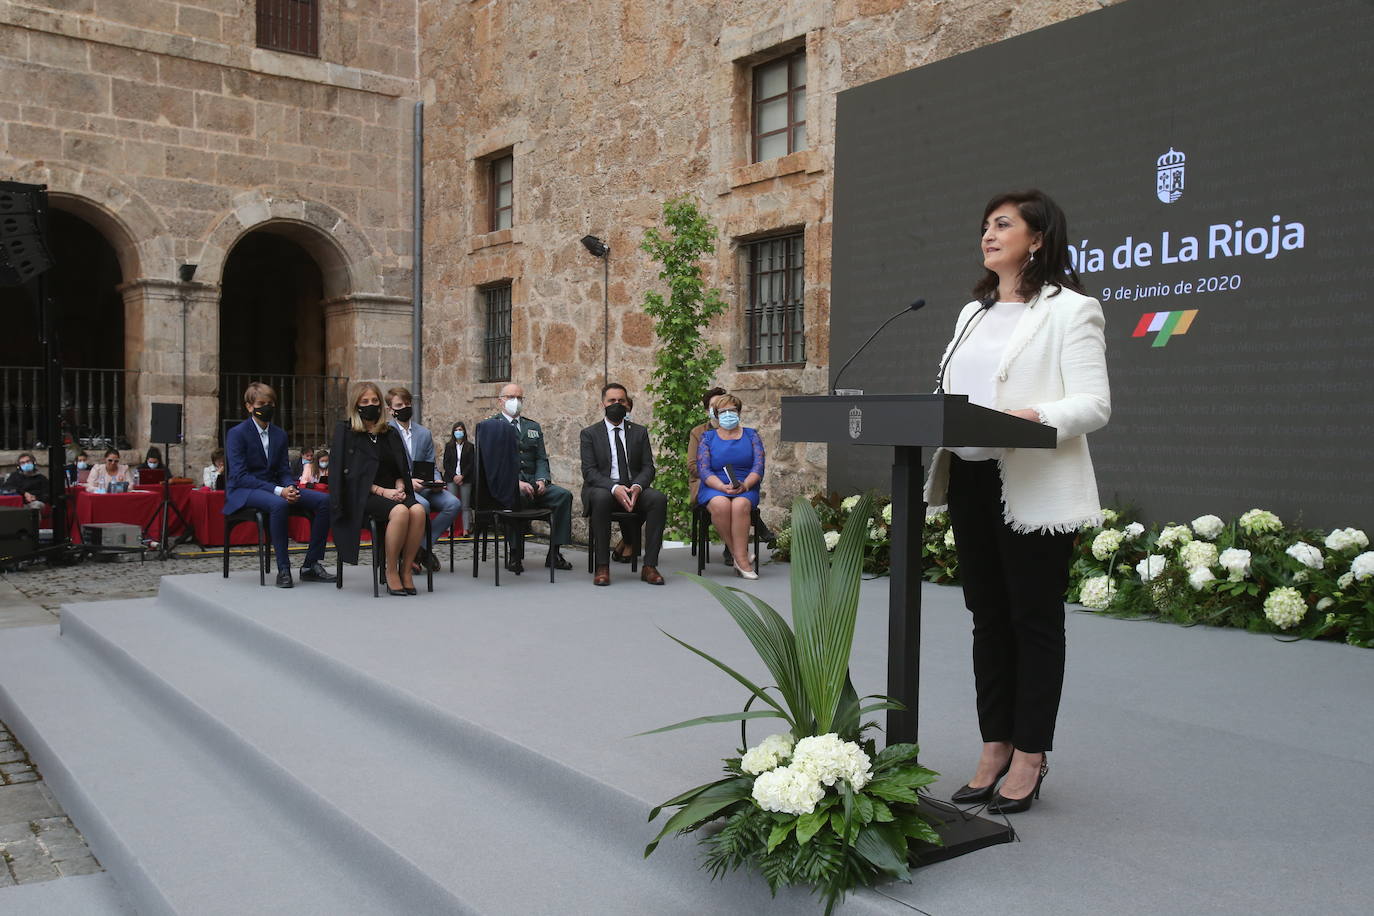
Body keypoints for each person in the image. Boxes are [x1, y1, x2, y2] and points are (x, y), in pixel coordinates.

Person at [924, 189, 1110, 815]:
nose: (988, 233)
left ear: (1037, 238)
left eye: (1002, 224)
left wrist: (1034, 414)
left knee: (1033, 619)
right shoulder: (970, 314)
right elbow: (949, 391)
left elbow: (1094, 404)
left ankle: (1031, 752)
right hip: (972, 478)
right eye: (984, 225)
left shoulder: (1073, 311)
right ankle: (994, 743)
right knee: (986, 617)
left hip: (1032, 479)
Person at [224, 382, 335, 589]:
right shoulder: (237, 434)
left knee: (325, 501)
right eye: (261, 403)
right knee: (279, 504)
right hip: (244, 490)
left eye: (270, 403)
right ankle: (283, 569)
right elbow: (239, 476)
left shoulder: (279, 434)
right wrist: (280, 491)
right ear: (249, 406)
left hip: (276, 488)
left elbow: (284, 469)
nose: (266, 407)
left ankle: (311, 565)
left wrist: (289, 486)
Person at [329, 381, 428, 596]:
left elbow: (399, 467)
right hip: (363, 496)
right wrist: (383, 492)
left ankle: (406, 568)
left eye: (374, 400)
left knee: (419, 511)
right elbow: (349, 477)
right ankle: (390, 569)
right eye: (365, 401)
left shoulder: (388, 433)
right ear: (356, 405)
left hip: (393, 490)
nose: (371, 405)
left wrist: (401, 485)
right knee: (401, 512)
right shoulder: (346, 432)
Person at [579, 382, 668, 586]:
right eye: (612, 400)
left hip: (633, 488)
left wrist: (637, 487)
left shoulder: (639, 432)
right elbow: (589, 471)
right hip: (603, 489)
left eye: (621, 400)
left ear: (627, 404)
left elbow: (648, 467)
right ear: (603, 403)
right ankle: (602, 566)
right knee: (601, 498)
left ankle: (650, 566)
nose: (617, 404)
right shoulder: (590, 433)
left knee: (658, 499)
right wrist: (614, 488)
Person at [489, 383, 573, 574]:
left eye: (519, 398)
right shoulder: (492, 426)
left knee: (563, 496)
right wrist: (515, 483)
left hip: (535, 483)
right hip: (510, 486)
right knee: (515, 498)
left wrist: (542, 480)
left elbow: (541, 458)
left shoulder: (532, 426)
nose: (515, 402)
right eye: (511, 397)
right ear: (501, 401)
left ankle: (555, 553)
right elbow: (492, 464)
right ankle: (515, 554)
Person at [386, 387, 461, 570]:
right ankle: (416, 552)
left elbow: (431, 464)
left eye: (407, 404)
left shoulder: (423, 433)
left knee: (453, 503)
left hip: (425, 485)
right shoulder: (386, 433)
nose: (404, 407)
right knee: (423, 506)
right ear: (390, 409)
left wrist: (436, 481)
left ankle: (420, 548)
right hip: (401, 487)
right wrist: (407, 481)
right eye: (399, 405)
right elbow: (386, 468)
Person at [695, 393, 765, 580]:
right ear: (716, 415)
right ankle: (740, 556)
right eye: (722, 411)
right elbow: (703, 469)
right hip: (714, 485)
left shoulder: (752, 435)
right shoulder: (707, 437)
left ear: (739, 412)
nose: (727, 414)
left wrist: (746, 484)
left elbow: (758, 466)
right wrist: (721, 487)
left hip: (745, 484)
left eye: (731, 410)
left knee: (740, 505)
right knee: (721, 505)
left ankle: (739, 557)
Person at [687, 387, 726, 503]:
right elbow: (692, 465)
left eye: (721, 404)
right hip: (703, 482)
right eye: (714, 405)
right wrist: (716, 478)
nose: (718, 408)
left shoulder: (736, 432)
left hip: (732, 481)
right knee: (723, 501)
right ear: (706, 411)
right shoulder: (698, 432)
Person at [442, 421, 474, 532]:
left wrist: (462, 476)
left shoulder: (470, 447)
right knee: (452, 504)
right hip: (451, 479)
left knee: (465, 505)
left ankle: (465, 529)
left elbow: (471, 463)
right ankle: (450, 528)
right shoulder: (449, 446)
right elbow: (446, 463)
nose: (458, 432)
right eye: (456, 430)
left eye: (460, 430)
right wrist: (455, 476)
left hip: (466, 479)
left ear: (464, 431)